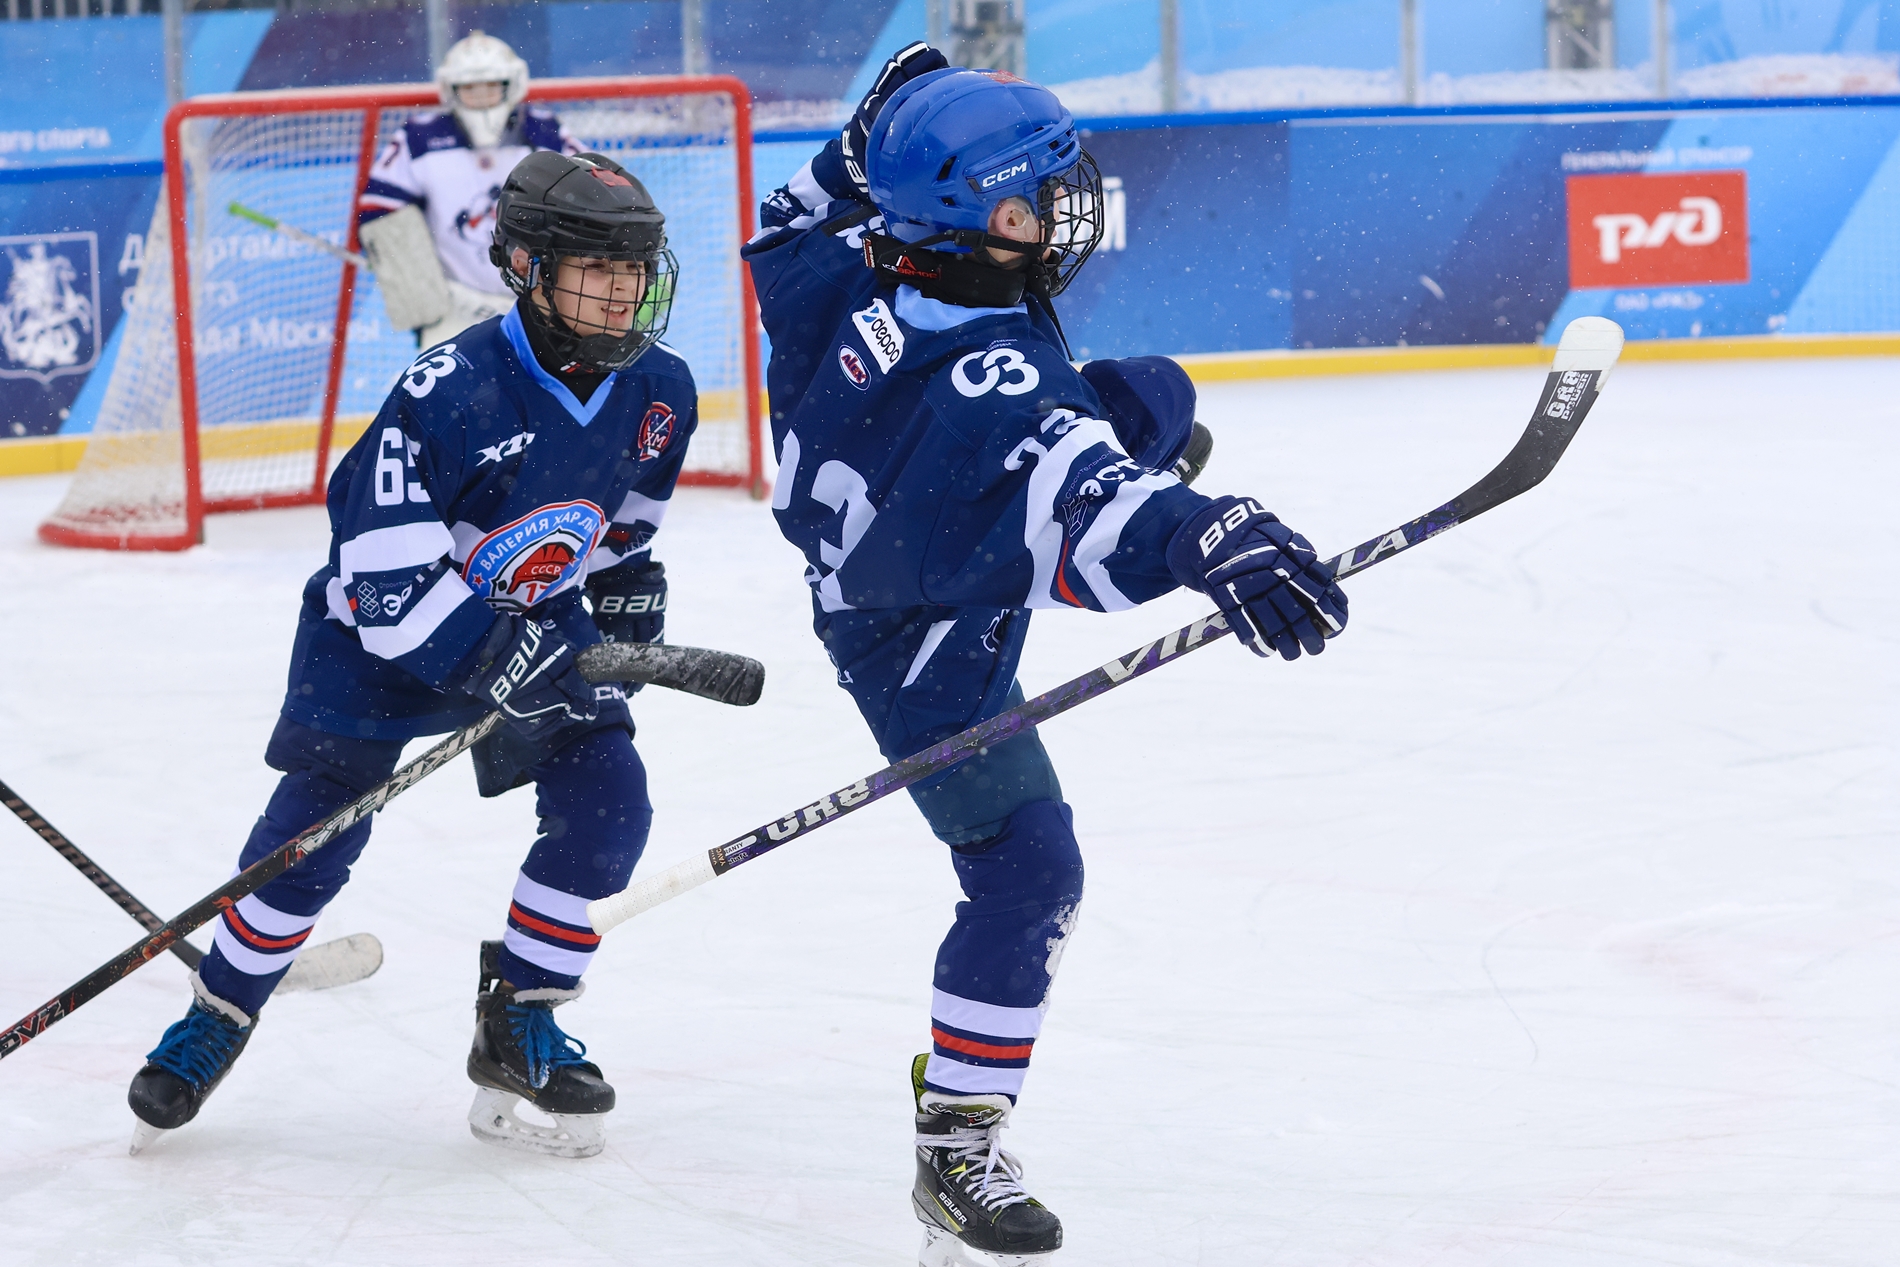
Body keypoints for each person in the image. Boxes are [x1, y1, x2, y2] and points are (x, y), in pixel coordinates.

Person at [742, 46, 1348, 1265]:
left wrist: (859, 144)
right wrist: (1202, 530)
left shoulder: (838, 276)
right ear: (979, 217)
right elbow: (1086, 500)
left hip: (892, 493)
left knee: (1152, 393)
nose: (1067, 208)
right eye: (1041, 194)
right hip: (917, 632)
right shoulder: (1006, 388)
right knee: (1027, 874)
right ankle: (957, 1141)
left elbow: (787, 214)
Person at [126, 151, 694, 1161]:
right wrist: (505, 659)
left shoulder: (659, 389)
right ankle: (220, 1009)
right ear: (525, 267)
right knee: (311, 840)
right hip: (375, 647)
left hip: (530, 622)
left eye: (634, 267)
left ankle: (520, 1015)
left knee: (610, 802)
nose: (622, 290)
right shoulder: (447, 393)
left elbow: (618, 532)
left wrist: (625, 595)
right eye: (594, 267)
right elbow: (387, 587)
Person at [358, 31, 580, 347]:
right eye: (470, 88)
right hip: (452, 314)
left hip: (541, 307)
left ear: (512, 85)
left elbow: (592, 201)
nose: (481, 97)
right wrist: (422, 286)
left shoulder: (545, 133)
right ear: (451, 89)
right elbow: (376, 211)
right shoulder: (421, 138)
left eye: (492, 86)